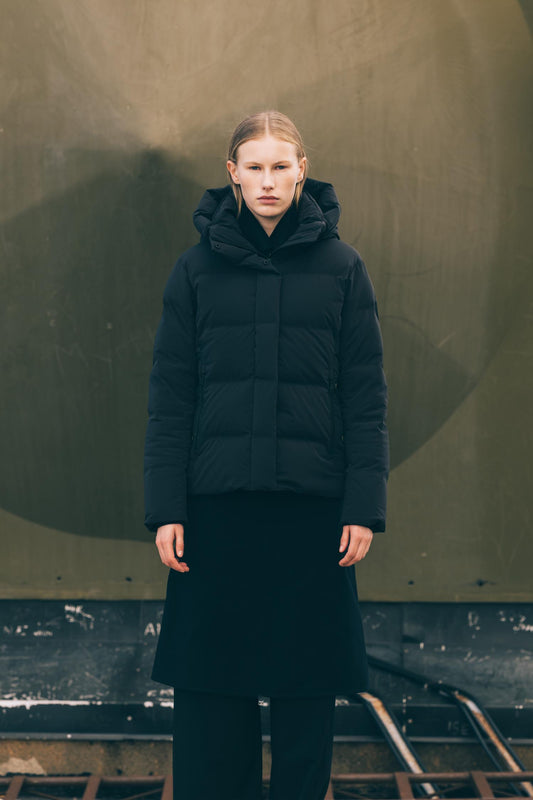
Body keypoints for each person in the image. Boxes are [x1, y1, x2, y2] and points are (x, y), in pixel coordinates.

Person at [143, 110, 389, 800]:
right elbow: (170, 397)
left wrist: (363, 508)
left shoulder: (342, 269)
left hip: (311, 517)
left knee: (305, 692)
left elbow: (365, 398)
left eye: (281, 166)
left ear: (302, 170)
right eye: (254, 167)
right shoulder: (194, 271)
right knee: (209, 692)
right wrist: (165, 508)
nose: (268, 181)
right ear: (232, 174)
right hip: (214, 515)